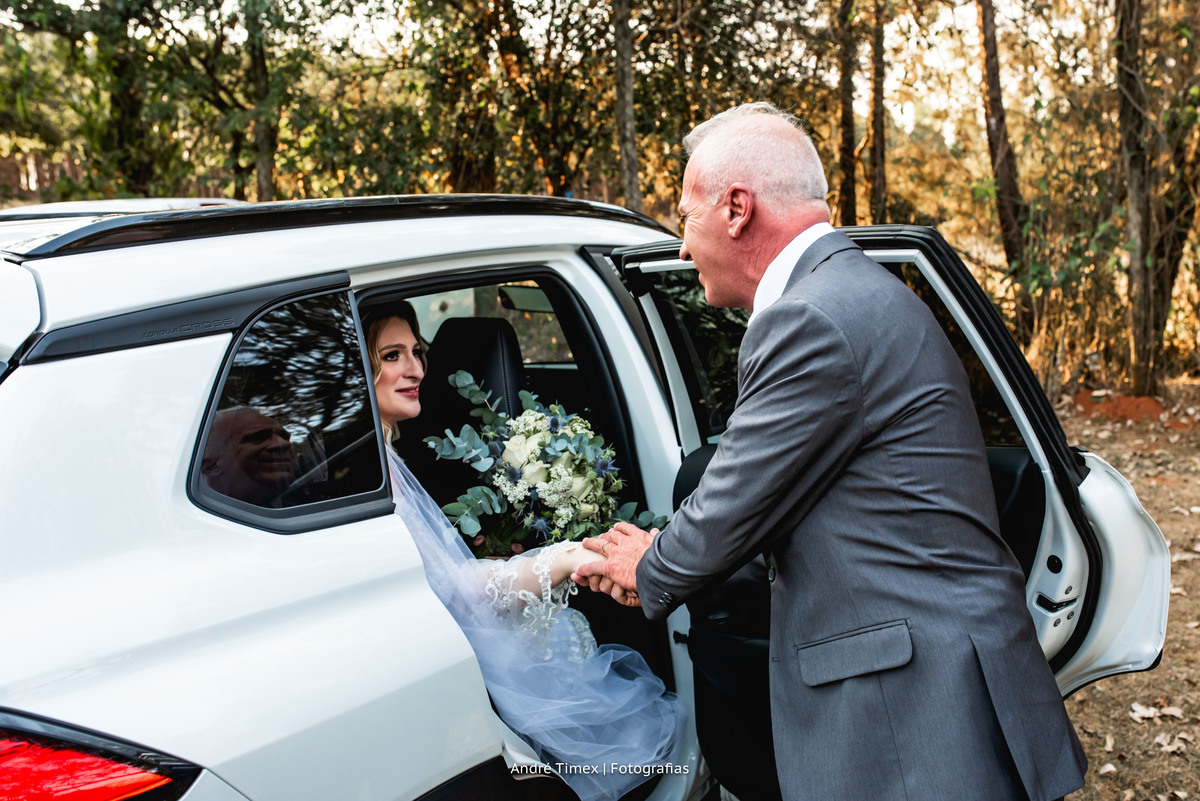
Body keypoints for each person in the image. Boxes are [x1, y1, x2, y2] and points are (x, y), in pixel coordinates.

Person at [573, 102, 1087, 801]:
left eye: (687, 218)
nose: (684, 247)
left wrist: (651, 563)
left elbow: (734, 499)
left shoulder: (808, 317)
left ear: (735, 208)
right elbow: (808, 499)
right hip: (944, 688)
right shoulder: (860, 290)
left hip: (917, 721)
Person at [363, 301, 685, 801]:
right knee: (569, 632)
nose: (416, 369)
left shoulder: (379, 460)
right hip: (441, 654)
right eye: (392, 355)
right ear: (359, 365)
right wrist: (568, 557)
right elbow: (456, 593)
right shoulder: (374, 475)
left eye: (417, 352)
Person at [201, 406, 299, 505]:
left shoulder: (302, 508)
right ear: (211, 466)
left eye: (285, 437)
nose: (284, 443)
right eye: (258, 437)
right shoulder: (195, 517)